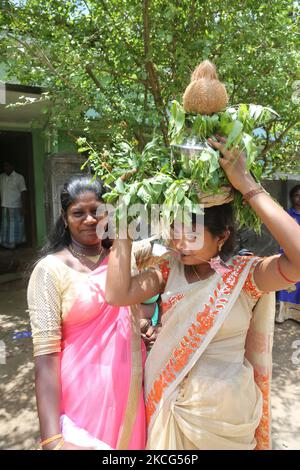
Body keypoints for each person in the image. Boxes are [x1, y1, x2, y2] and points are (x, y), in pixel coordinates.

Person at [105, 136, 300, 450]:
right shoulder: (168, 270)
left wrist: (246, 184)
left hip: (228, 420)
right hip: (170, 410)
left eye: (191, 234)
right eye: (174, 231)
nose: (178, 243)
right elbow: (117, 294)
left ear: (222, 236)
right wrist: (123, 223)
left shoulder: (245, 276)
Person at [27, 176, 146, 450]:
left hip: (130, 394)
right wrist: (52, 439)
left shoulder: (122, 256)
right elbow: (46, 357)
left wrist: (141, 325)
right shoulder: (49, 271)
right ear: (64, 217)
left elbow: (139, 306)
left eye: (98, 211)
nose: (91, 220)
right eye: (79, 213)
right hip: (82, 400)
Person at [276, 184, 300, 323]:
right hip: (288, 253)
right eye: (297, 195)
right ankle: (283, 315)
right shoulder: (286, 215)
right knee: (287, 283)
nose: (299, 198)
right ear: (292, 197)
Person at [0, 161, 27, 249]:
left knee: (16, 225)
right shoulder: (1, 177)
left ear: (12, 166)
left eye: (7, 166)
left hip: (16, 205)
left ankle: (16, 243)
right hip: (5, 204)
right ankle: (6, 244)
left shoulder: (19, 177)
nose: (5, 168)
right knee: (6, 225)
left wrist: (23, 206)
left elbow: (23, 192)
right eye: (4, 166)